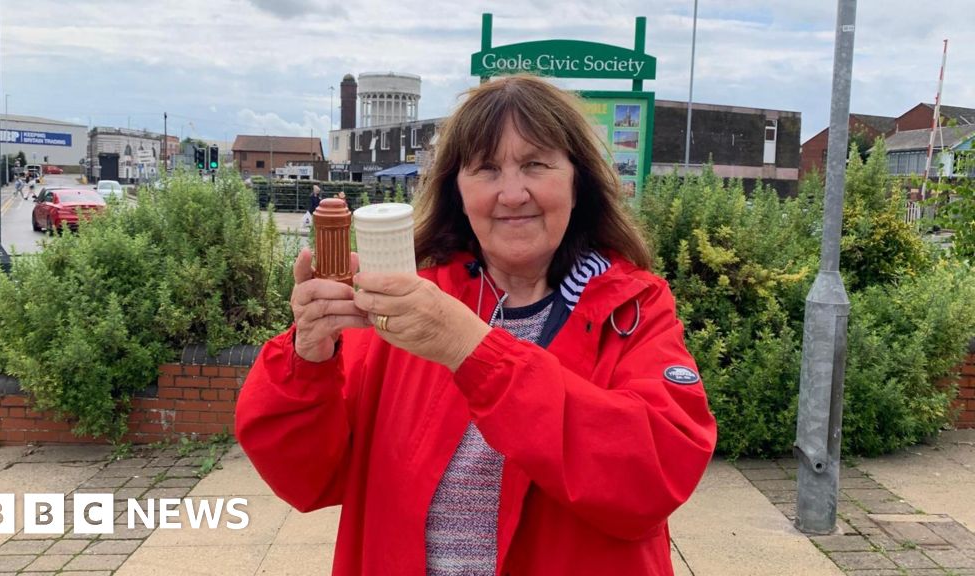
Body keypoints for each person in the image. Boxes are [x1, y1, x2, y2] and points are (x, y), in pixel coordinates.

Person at [236, 74, 717, 575]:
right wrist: (309, 359)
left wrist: (472, 348)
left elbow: (653, 477)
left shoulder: (633, 307)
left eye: (535, 164)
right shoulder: (410, 300)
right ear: (457, 192)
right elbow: (308, 479)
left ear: (578, 183)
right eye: (486, 169)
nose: (512, 194)